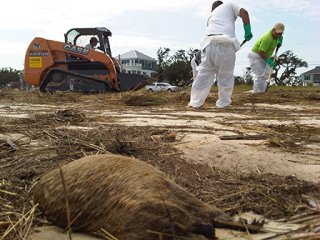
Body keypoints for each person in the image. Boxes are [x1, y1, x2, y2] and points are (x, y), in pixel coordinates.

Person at [188, 1, 252, 109]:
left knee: (204, 75)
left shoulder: (211, 16)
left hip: (209, 44)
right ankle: (223, 104)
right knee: (225, 76)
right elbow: (244, 12)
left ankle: (195, 103)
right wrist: (247, 29)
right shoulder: (230, 5)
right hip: (226, 44)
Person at [248, 23, 285, 93]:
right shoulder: (267, 38)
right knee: (259, 74)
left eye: (280, 34)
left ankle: (262, 91)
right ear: (273, 30)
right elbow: (260, 52)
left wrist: (278, 42)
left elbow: (278, 38)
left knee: (266, 74)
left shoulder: (277, 36)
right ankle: (258, 93)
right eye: (277, 33)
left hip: (264, 54)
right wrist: (269, 61)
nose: (278, 35)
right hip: (256, 55)